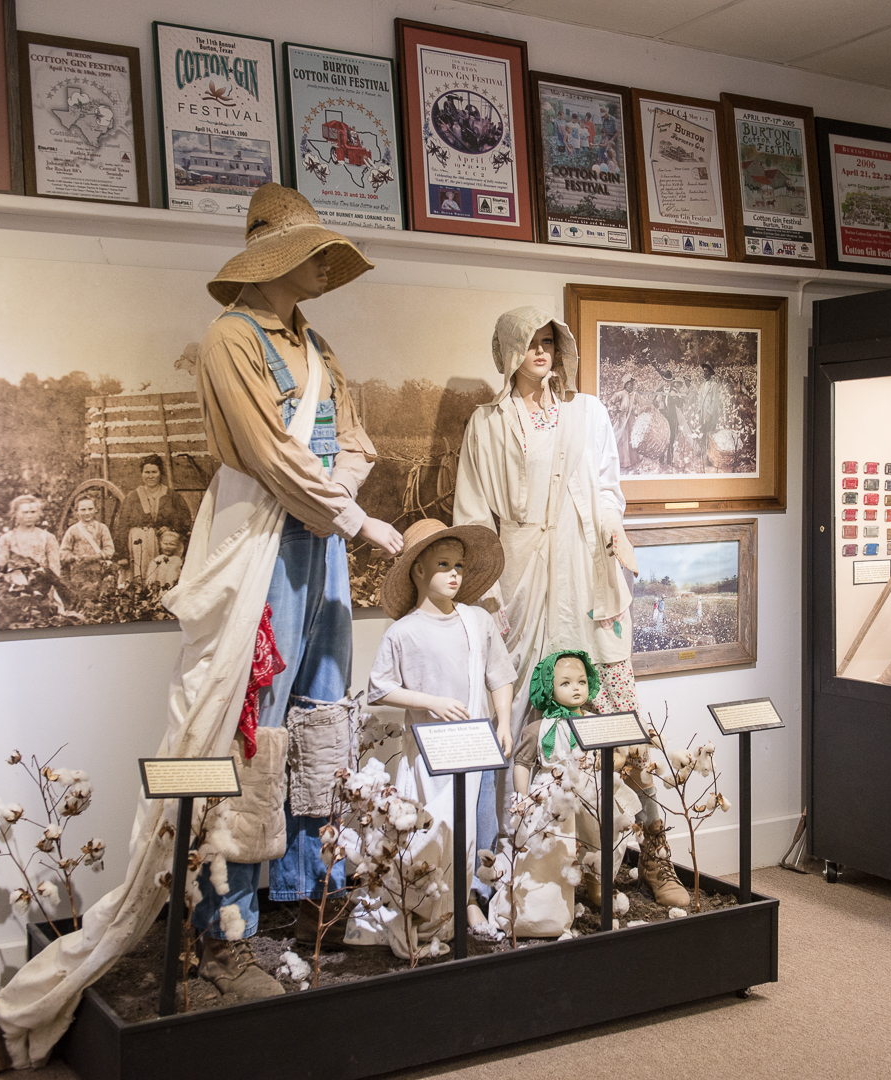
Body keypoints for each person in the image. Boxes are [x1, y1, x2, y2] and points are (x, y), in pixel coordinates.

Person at [182, 183, 404, 1000]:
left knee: (319, 714)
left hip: (320, 541)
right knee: (255, 722)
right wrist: (351, 517)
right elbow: (270, 457)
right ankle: (226, 927)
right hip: (262, 544)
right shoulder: (230, 341)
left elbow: (353, 440)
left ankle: (302, 896)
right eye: (311, 254)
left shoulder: (317, 348)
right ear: (278, 257)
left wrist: (341, 506)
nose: (322, 269)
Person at [453, 307, 687, 908]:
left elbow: (608, 488)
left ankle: (652, 849)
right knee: (523, 729)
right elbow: (476, 516)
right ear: (508, 350)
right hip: (524, 583)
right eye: (530, 342)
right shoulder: (487, 424)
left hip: (587, 576)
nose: (542, 351)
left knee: (612, 715)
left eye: (550, 341)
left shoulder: (589, 414)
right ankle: (525, 866)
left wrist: (616, 531)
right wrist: (488, 596)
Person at [354, 519, 514, 953]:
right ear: (418, 571)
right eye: (443, 564)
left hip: (476, 744)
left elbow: (499, 674)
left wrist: (502, 722)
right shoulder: (403, 631)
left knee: (482, 827)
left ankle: (470, 904)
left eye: (459, 565)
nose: (454, 574)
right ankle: (430, 904)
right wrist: (430, 701)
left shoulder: (476, 620)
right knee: (435, 827)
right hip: (430, 753)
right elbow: (380, 687)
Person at [114, 455, 193, 579]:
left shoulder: (172, 496)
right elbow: (122, 525)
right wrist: (122, 554)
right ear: (142, 474)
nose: (150, 476)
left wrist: (170, 529)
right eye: (147, 472)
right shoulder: (133, 497)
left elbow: (185, 519)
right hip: (138, 544)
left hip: (163, 544)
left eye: (154, 472)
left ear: (160, 473)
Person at [58, 495, 114, 566]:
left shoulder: (102, 528)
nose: (87, 513)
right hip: (78, 571)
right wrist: (74, 557)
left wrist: (94, 557)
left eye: (90, 509)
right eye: (83, 510)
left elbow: (109, 549)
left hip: (99, 570)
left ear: (96, 509)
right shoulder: (72, 530)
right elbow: (63, 552)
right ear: (77, 511)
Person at [608, 376, 639, 470]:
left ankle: (633, 460)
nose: (630, 386)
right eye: (628, 384)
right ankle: (624, 461)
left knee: (632, 437)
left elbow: (641, 405)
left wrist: (636, 409)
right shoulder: (620, 394)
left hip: (632, 419)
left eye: (631, 384)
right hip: (623, 418)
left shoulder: (635, 395)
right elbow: (610, 402)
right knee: (624, 437)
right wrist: (616, 409)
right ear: (625, 384)